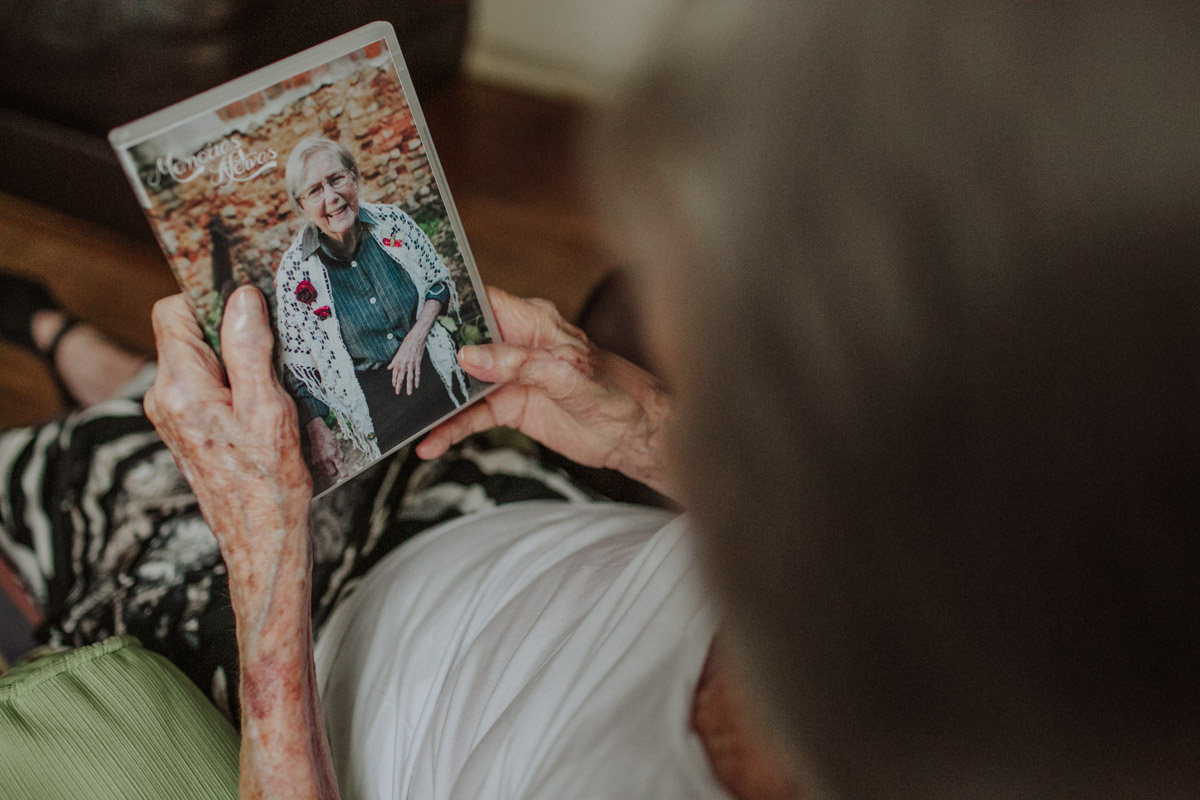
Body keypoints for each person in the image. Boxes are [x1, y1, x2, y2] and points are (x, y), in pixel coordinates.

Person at [3, 1, 1200, 799]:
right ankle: (96, 360)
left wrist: (264, 572)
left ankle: (71, 352)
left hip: (313, 650)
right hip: (502, 505)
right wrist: (640, 425)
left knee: (80, 488)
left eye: (729, 367)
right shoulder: (1011, 568)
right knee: (202, 401)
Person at [276, 137, 470, 482]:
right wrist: (317, 429)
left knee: (466, 456)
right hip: (374, 403)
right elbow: (298, 364)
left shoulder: (392, 222)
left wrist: (415, 338)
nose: (332, 197)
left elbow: (437, 283)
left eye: (337, 179)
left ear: (353, 176)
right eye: (315, 190)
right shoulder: (295, 272)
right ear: (301, 205)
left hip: (434, 367)